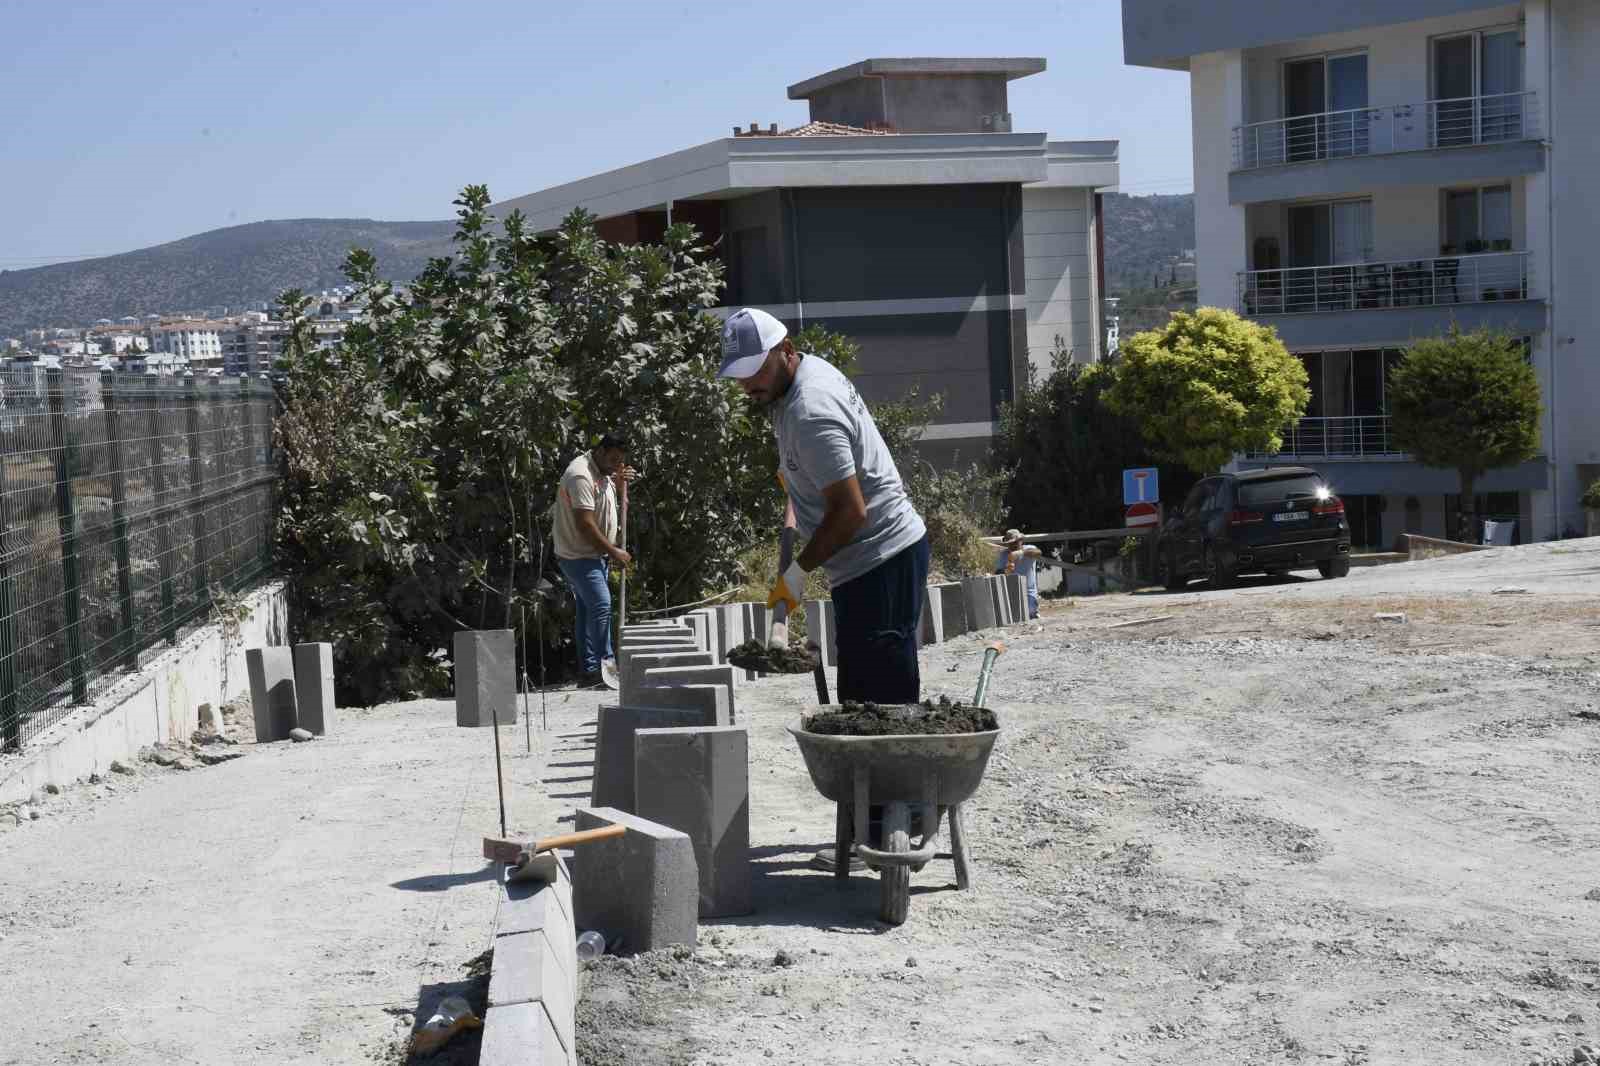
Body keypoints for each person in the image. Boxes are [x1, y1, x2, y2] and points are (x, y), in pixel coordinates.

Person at [718, 307, 929, 704]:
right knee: (859, 687)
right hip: (863, 562)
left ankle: (896, 764)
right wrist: (798, 488)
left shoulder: (810, 411)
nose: (748, 385)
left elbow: (851, 511)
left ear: (786, 350)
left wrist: (797, 574)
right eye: (739, 375)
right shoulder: (797, 379)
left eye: (756, 370)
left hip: (881, 558)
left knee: (880, 698)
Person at [552, 433, 633, 688]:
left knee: (588, 610)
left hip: (594, 554)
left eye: (619, 461)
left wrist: (620, 487)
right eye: (611, 459)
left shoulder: (604, 472)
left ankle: (588, 671)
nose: (615, 465)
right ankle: (606, 670)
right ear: (599, 450)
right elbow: (585, 525)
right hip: (578, 554)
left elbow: (613, 506)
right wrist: (614, 552)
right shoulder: (581, 475)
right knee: (601, 605)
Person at [994, 528, 1042, 620]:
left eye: (1014, 542)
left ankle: (1033, 612)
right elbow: (997, 573)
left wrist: (1021, 553)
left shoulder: (1029, 549)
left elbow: (1038, 553)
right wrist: (1005, 571)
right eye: (1010, 543)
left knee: (1027, 612)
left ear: (1021, 541)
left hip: (1028, 593)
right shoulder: (1004, 555)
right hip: (1010, 594)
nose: (1012, 545)